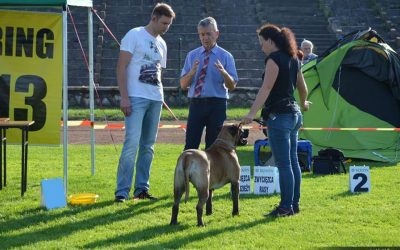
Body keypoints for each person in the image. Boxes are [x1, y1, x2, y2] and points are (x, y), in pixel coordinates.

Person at [241, 24, 310, 217]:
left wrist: (251, 113)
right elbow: (303, 87)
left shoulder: (273, 59)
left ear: (271, 42)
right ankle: (294, 205)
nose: (261, 47)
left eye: (262, 43)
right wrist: (304, 103)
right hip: (295, 113)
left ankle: (285, 207)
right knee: (293, 162)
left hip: (279, 116)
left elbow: (266, 88)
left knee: (284, 164)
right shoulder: (294, 57)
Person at [114, 3, 175, 203]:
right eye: (165, 23)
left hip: (155, 99)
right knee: (131, 144)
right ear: (154, 18)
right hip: (135, 97)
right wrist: (124, 96)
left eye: (169, 24)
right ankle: (122, 192)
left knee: (148, 146)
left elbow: (159, 71)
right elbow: (121, 67)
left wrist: (160, 97)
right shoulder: (134, 35)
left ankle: (141, 189)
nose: (167, 27)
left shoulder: (163, 44)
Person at [180, 17, 239, 150]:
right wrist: (192, 72)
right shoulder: (192, 55)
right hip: (196, 104)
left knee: (214, 146)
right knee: (190, 145)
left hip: (217, 104)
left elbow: (232, 86)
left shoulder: (226, 56)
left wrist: (224, 73)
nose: (205, 38)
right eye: (202, 34)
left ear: (216, 34)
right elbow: (183, 85)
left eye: (208, 34)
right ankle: (190, 170)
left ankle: (212, 171)